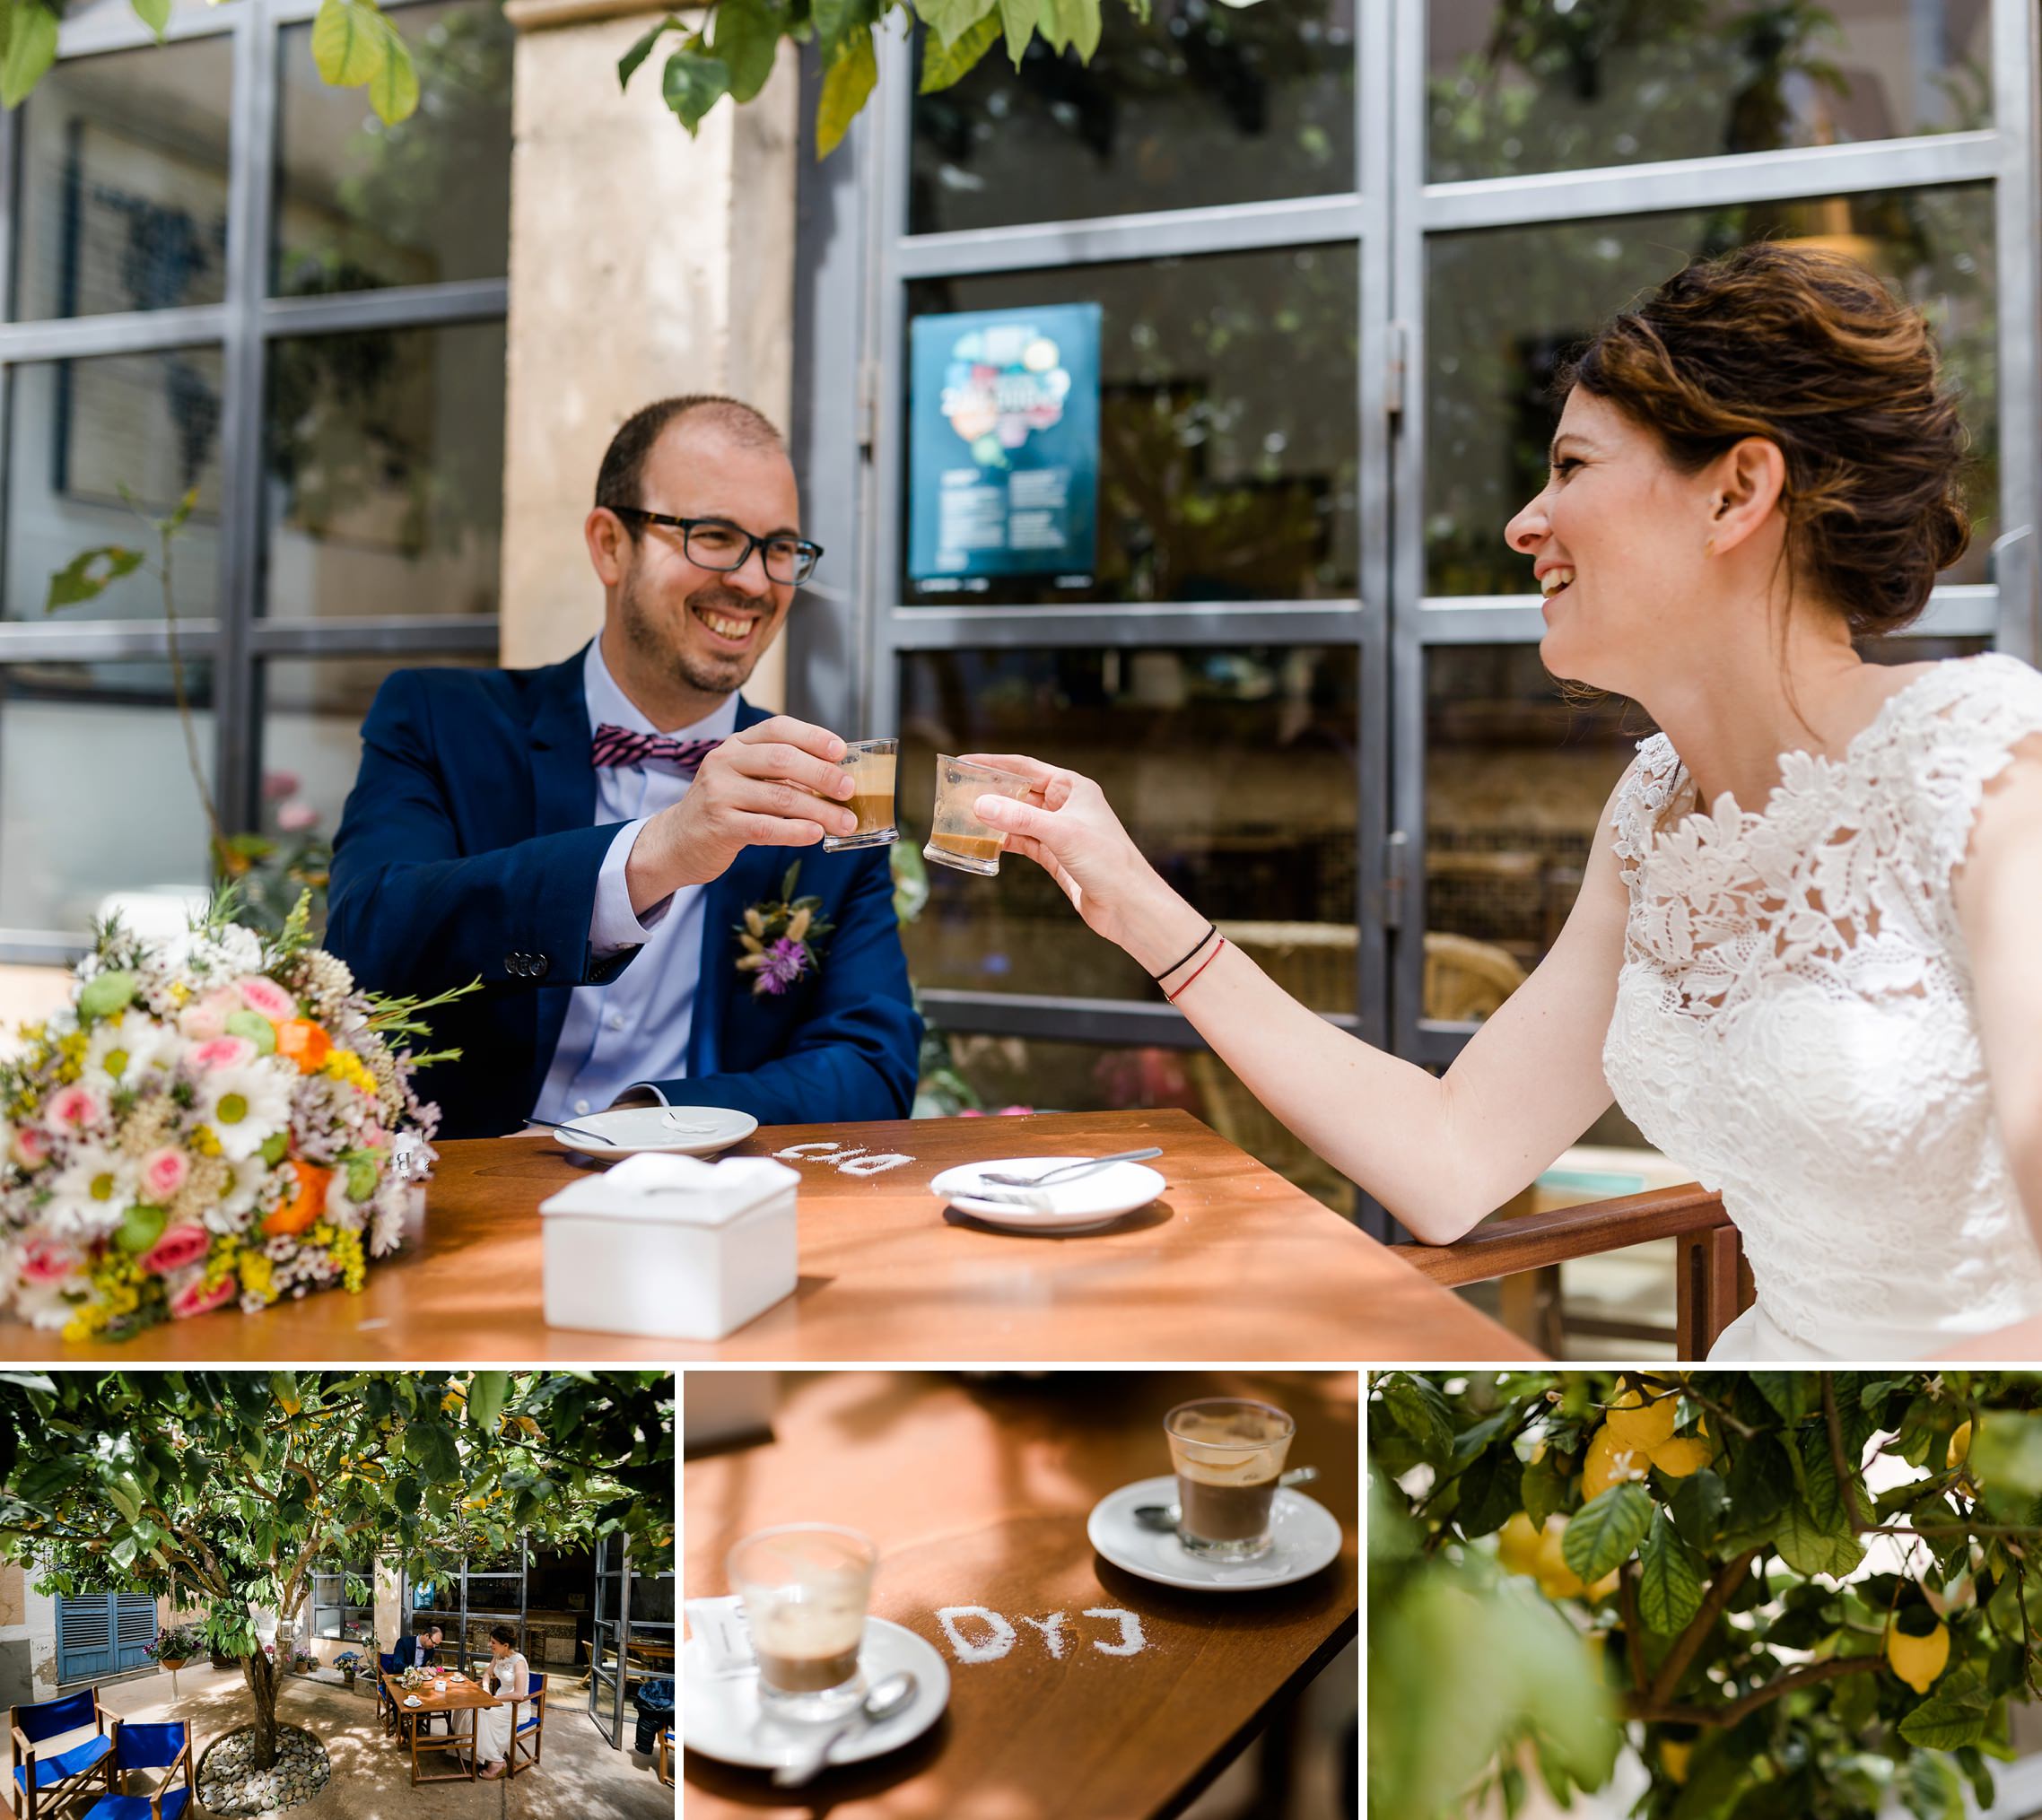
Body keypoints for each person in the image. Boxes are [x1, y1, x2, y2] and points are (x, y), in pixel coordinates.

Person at [968, 242, 2042, 1363]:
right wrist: (1135, 902)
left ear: (1734, 493)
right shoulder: (1650, 817)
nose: (1522, 524)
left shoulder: (1980, 768)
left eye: (1570, 467)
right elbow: (1446, 1160)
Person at [326, 395, 921, 1138]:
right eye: (713, 535)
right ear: (610, 545)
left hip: (703, 1193)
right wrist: (655, 853)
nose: (756, 582)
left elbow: (873, 1063)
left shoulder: (826, 782)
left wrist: (654, 1120)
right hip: (465, 1201)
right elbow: (365, 943)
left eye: (778, 548)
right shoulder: (440, 720)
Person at [471, 1624, 531, 1780]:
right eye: (491, 1641)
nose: (490, 1645)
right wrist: (485, 1688)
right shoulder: (498, 1656)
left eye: (493, 1643)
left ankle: (497, 1762)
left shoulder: (519, 1662)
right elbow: (487, 1674)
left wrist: (494, 1698)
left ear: (505, 1645)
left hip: (515, 1706)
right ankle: (479, 1753)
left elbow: (519, 1694)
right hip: (497, 1700)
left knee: (483, 1715)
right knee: (470, 1709)